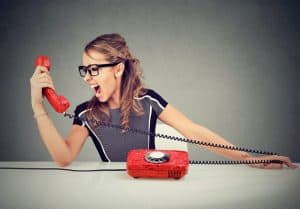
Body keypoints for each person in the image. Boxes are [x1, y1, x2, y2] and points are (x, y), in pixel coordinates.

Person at [30, 33, 297, 169]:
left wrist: (250, 159)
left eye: (94, 69)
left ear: (118, 69)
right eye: (84, 70)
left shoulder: (147, 100)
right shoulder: (85, 113)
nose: (87, 77)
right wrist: (38, 105)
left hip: (155, 191)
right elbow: (63, 157)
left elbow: (194, 131)